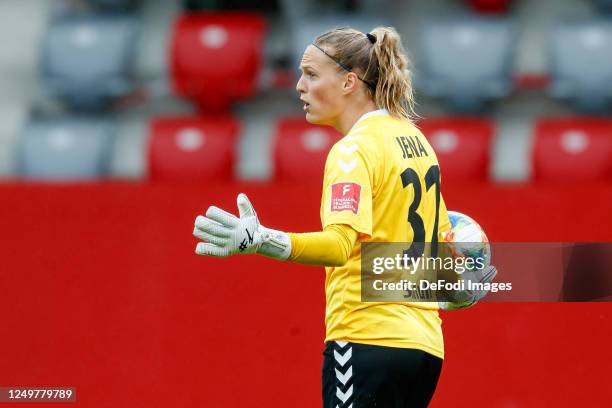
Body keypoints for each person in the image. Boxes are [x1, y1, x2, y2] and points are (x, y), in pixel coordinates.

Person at [193, 26, 496, 408]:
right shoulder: (416, 140)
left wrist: (259, 240)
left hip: (365, 339)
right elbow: (437, 258)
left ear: (349, 81)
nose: (300, 86)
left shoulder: (352, 151)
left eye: (312, 74)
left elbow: (339, 246)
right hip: (423, 350)